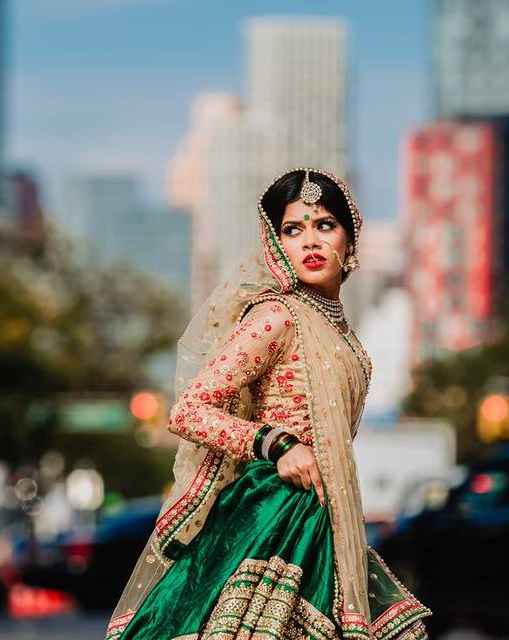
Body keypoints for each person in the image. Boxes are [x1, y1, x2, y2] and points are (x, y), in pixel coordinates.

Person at [105, 168, 431, 640]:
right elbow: (189, 410)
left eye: (325, 225)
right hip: (273, 514)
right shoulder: (277, 315)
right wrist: (276, 444)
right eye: (293, 230)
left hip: (327, 517)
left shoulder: (344, 334)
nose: (310, 242)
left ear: (350, 238)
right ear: (276, 243)